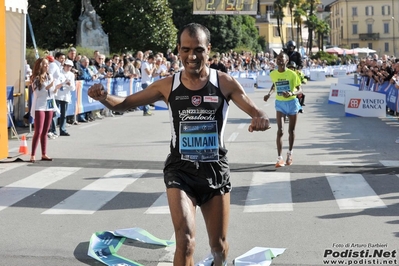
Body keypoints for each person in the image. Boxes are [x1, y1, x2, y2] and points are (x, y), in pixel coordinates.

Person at [88, 23, 270, 266]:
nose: (191, 56)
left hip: (214, 169)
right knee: (185, 241)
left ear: (209, 50)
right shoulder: (167, 85)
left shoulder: (224, 82)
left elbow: (255, 110)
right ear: (178, 50)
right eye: (185, 50)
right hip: (180, 170)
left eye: (198, 50)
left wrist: (261, 118)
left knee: (218, 246)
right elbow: (124, 103)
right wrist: (104, 97)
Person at [264, 52, 302, 168]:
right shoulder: (273, 74)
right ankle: (279, 158)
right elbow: (275, 85)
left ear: (287, 61)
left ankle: (290, 153)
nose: (280, 60)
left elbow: (300, 89)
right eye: (278, 58)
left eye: (282, 58)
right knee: (280, 130)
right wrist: (269, 94)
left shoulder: (292, 74)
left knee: (292, 131)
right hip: (280, 104)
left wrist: (291, 93)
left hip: (292, 103)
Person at [29, 58, 61, 163]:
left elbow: (52, 93)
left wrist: (55, 88)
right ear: (40, 66)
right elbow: (37, 94)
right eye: (45, 64)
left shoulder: (49, 76)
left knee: (46, 131)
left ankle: (44, 153)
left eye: (48, 64)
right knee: (38, 131)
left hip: (49, 105)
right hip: (40, 106)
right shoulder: (35, 78)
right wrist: (48, 87)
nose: (47, 66)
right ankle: (33, 154)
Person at [53, 59, 76, 136]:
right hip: (57, 95)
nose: (68, 68)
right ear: (64, 65)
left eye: (70, 66)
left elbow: (73, 88)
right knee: (55, 114)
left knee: (64, 114)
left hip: (66, 96)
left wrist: (69, 84)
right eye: (67, 66)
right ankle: (53, 130)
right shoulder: (59, 72)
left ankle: (62, 130)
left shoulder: (71, 75)